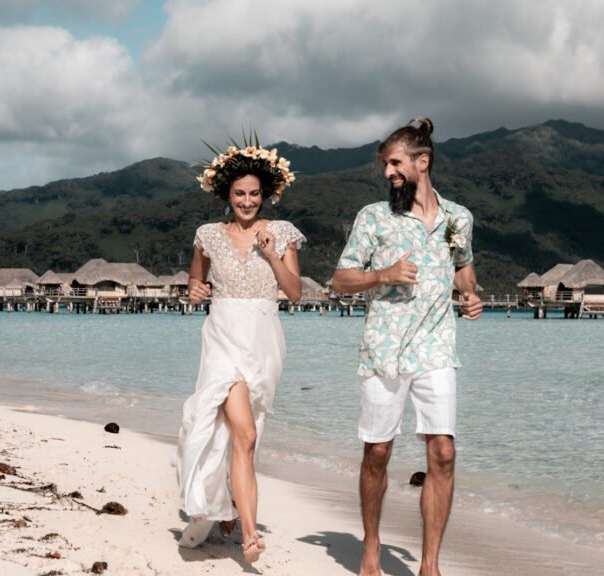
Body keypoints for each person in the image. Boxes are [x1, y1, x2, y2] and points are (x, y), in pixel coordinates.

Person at [330, 117, 482, 576]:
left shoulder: (459, 218)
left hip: (437, 347)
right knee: (377, 452)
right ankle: (372, 546)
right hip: (385, 349)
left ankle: (430, 564)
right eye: (385, 165)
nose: (387, 173)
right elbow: (340, 280)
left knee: (444, 452)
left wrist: (470, 295)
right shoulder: (374, 217)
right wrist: (384, 274)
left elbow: (464, 269)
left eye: (394, 163)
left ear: (423, 161)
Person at [173, 138, 304, 564]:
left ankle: (229, 504)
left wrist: (271, 253)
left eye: (253, 194)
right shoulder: (208, 235)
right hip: (224, 335)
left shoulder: (280, 233)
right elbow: (196, 285)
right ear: (226, 195)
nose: (247, 201)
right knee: (242, 432)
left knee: (248, 432)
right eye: (239, 194)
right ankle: (250, 533)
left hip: (264, 338)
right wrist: (194, 290)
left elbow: (296, 293)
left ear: (264, 194)